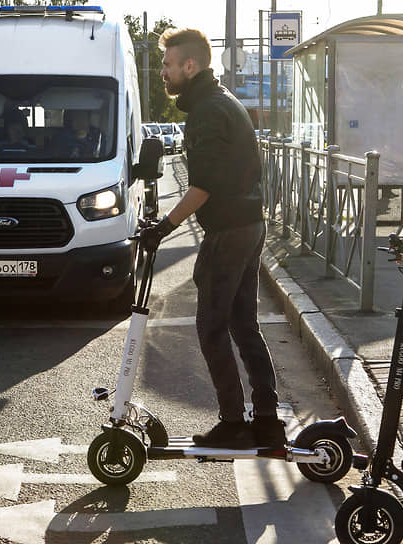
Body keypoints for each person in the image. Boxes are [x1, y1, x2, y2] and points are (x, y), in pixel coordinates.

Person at [138, 28, 284, 449]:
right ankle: (267, 419)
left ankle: (235, 422)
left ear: (191, 65)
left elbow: (203, 186)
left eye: (167, 65)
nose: (162, 73)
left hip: (229, 231)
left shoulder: (207, 112)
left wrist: (162, 227)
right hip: (247, 224)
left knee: (212, 328)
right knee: (243, 325)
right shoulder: (221, 103)